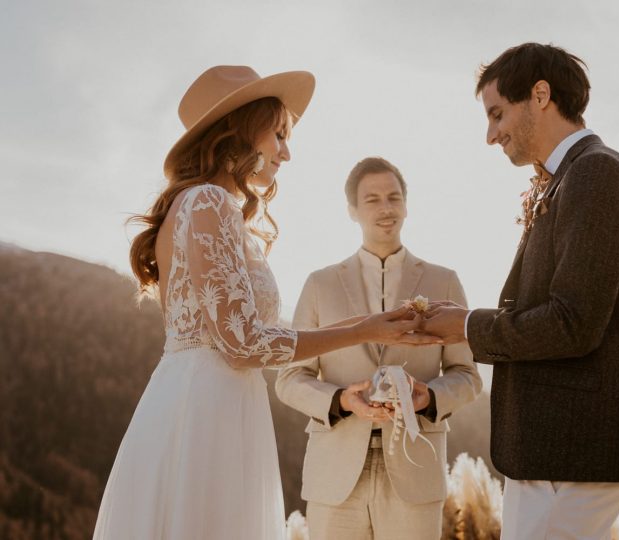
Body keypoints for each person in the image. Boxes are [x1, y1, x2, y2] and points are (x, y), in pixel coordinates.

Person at [93, 66, 432, 540]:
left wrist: (372, 321)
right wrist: (365, 330)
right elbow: (242, 344)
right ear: (239, 130)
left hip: (209, 398)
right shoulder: (208, 202)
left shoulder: (198, 204)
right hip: (206, 409)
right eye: (278, 135)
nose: (287, 153)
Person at [422, 43, 619, 539]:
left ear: (540, 95)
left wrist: (468, 325)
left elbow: (572, 323)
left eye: (497, 114)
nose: (491, 135)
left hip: (573, 446)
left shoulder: (597, 173)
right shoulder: (568, 178)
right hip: (558, 450)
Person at [275, 157, 482, 540]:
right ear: (352, 210)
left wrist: (429, 397)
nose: (386, 209)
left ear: (406, 204)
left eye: (394, 197)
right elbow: (289, 377)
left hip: (415, 469)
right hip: (335, 473)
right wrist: (339, 400)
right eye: (372, 200)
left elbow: (468, 375)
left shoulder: (445, 280)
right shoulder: (319, 284)